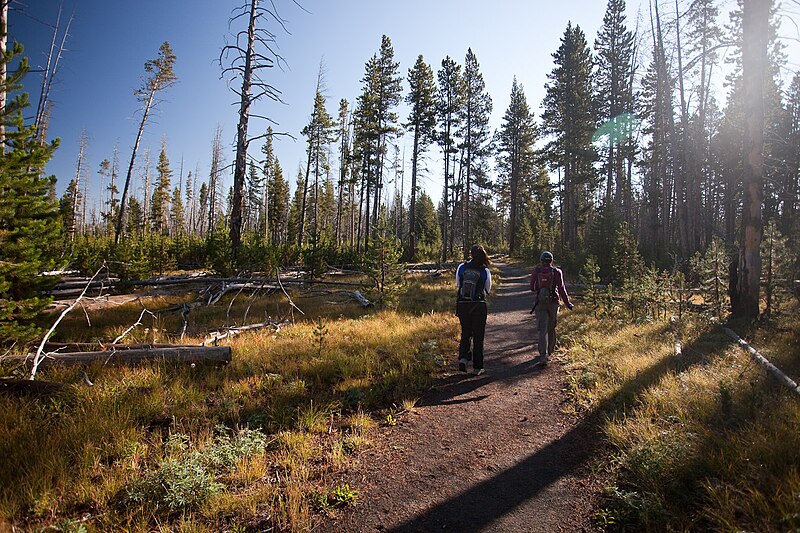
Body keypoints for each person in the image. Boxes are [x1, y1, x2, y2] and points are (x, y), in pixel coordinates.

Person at [530, 251, 573, 364]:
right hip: (554, 303)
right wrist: (568, 304)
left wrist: (540, 290)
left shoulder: (536, 271)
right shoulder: (557, 272)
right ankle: (550, 351)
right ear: (551, 260)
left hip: (540, 303)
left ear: (541, 260)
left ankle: (543, 355)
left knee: (542, 329)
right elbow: (562, 288)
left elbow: (532, 287)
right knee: (551, 327)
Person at [456, 245, 493, 375]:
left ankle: (463, 358)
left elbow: (458, 286)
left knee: (465, 332)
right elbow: (488, 290)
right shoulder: (484, 271)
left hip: (463, 304)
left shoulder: (462, 267)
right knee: (478, 337)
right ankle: (478, 367)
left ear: (471, 254)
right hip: (479, 305)